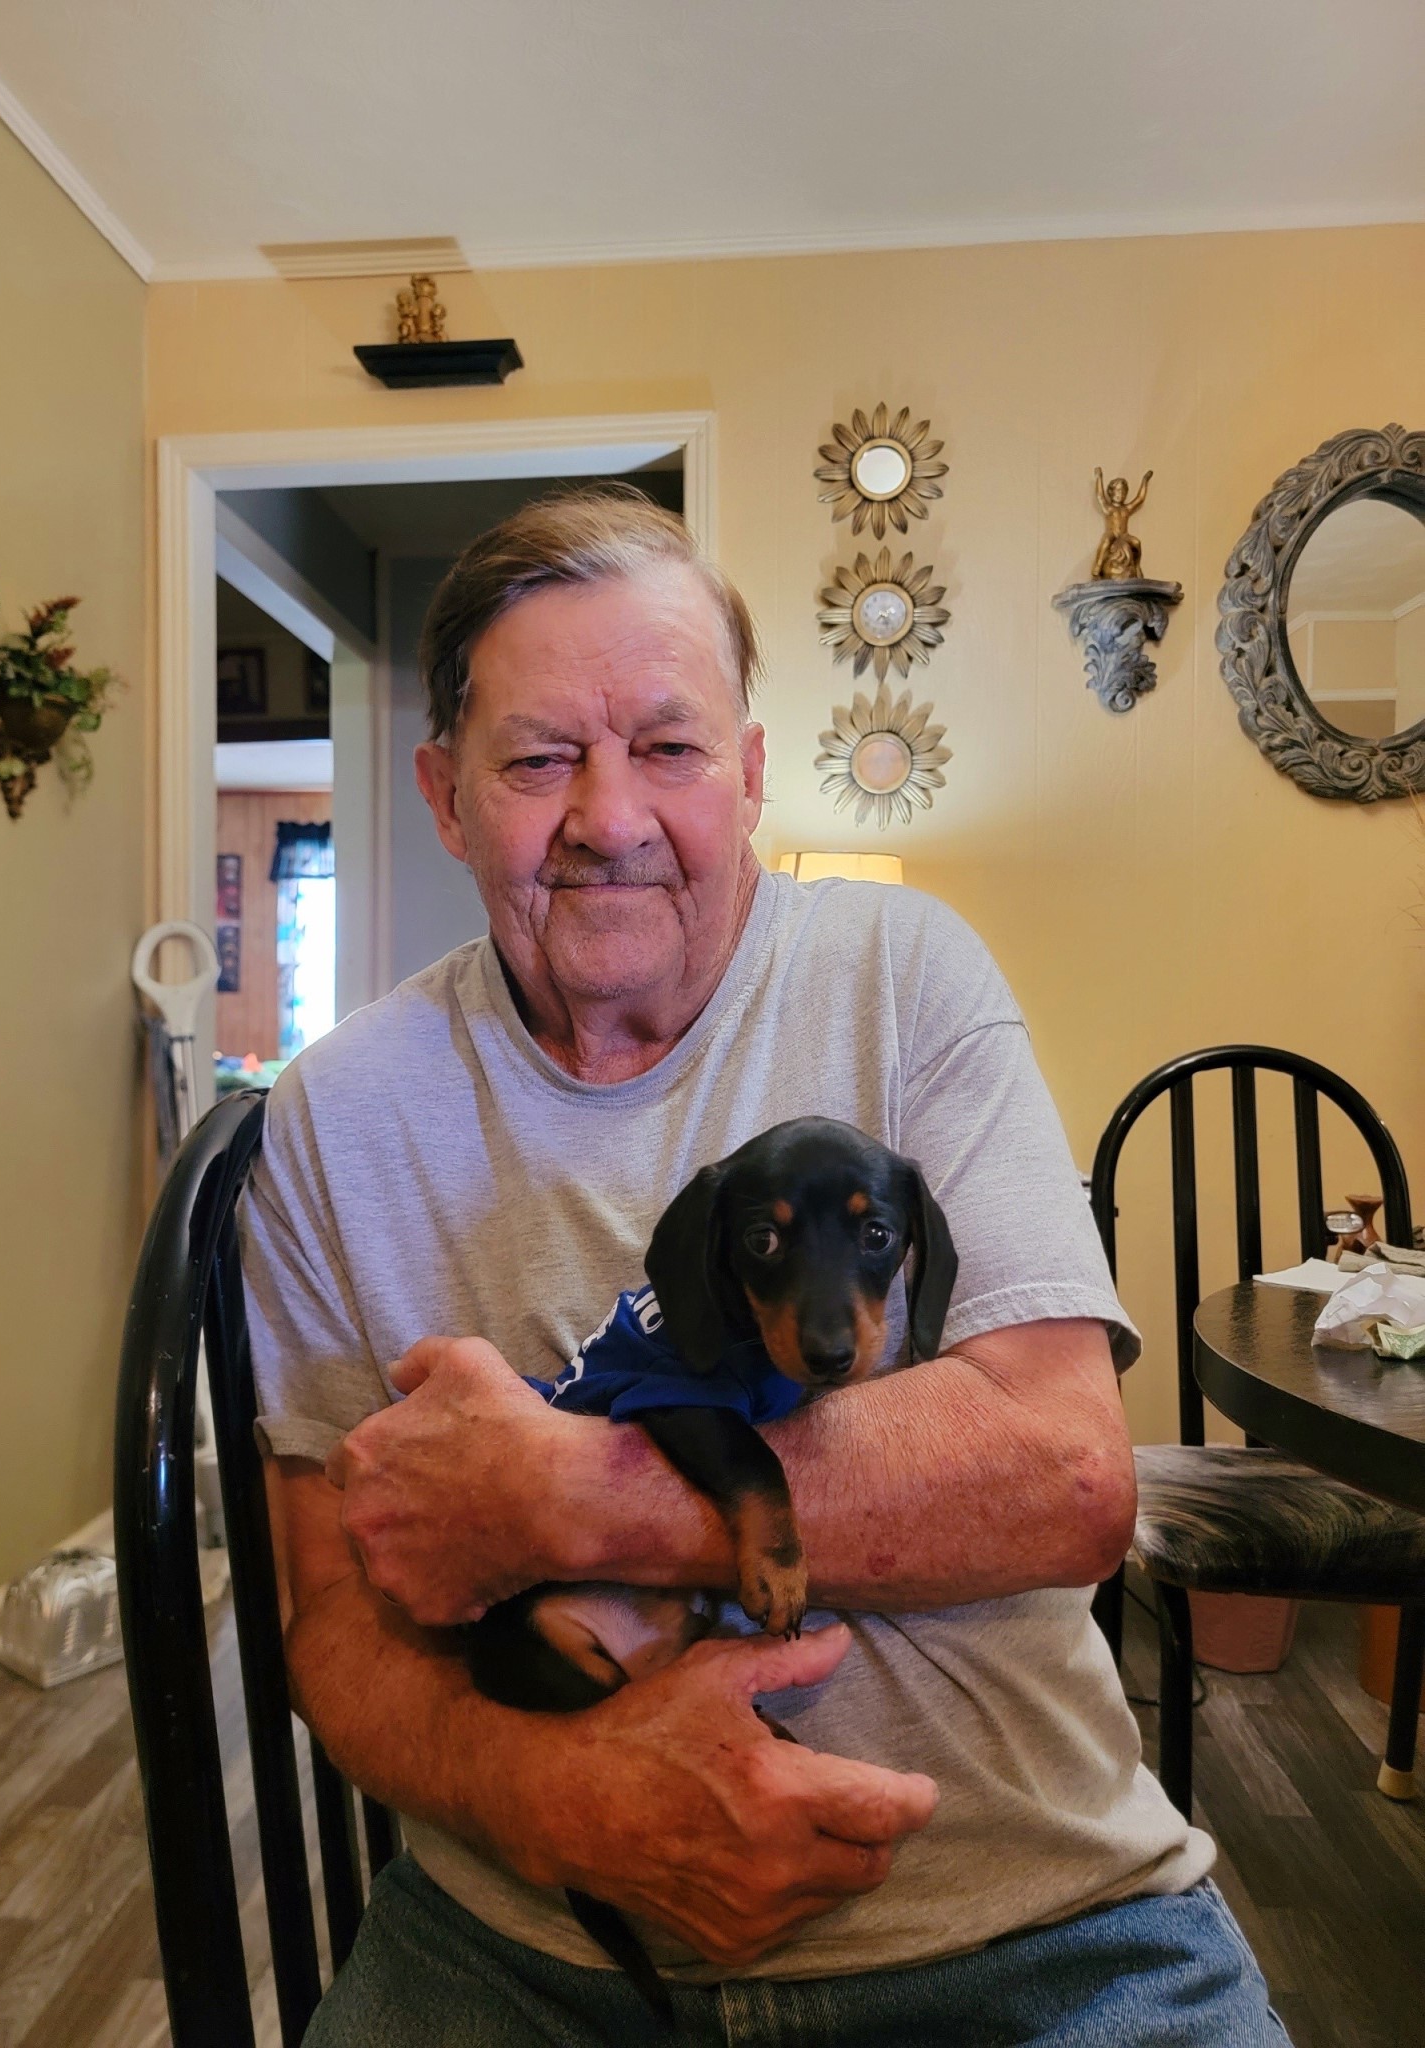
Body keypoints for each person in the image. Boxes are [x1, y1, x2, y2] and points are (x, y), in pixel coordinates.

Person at [243, 488, 1288, 2044]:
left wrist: (564, 1496)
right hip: (526, 1941)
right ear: (445, 795)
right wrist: (546, 1796)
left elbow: (1071, 1483)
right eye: (538, 760)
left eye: (668, 748)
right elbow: (323, 1613)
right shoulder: (334, 1114)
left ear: (746, 774)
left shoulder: (907, 973)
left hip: (1036, 1930)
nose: (610, 818)